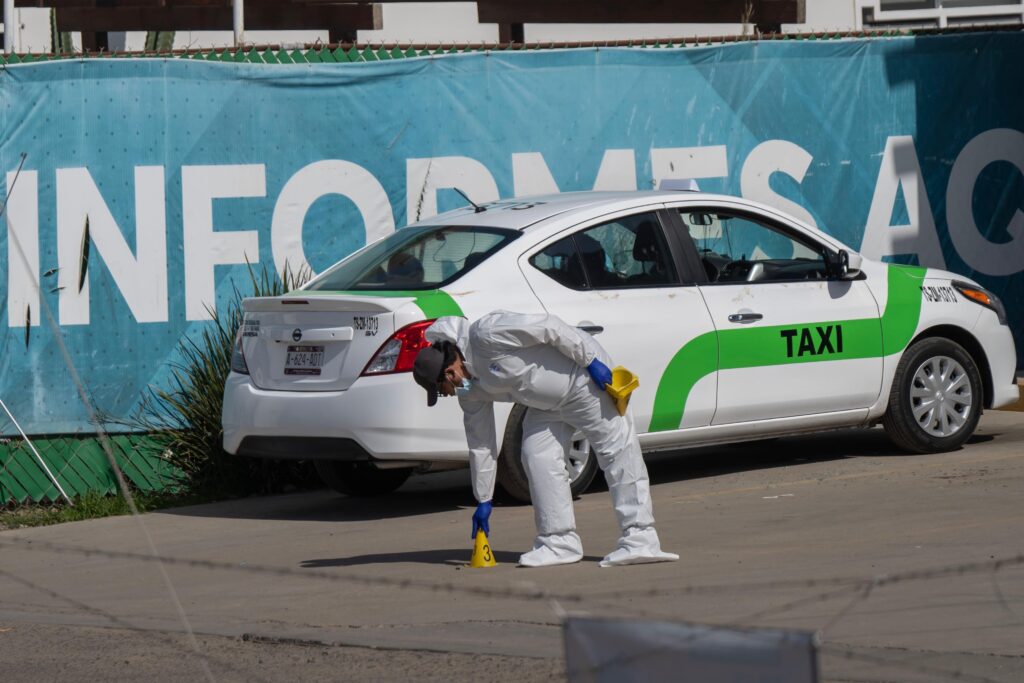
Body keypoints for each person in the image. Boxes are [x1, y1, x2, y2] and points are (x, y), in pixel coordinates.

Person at [412, 310, 678, 568]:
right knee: (536, 456)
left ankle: (640, 539)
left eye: (442, 390)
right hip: (544, 405)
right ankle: (558, 542)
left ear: (449, 373)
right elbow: (481, 442)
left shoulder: (486, 334)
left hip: (583, 382)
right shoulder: (470, 391)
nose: (448, 394)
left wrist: (591, 362)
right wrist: (483, 498)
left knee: (617, 453)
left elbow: (549, 326)